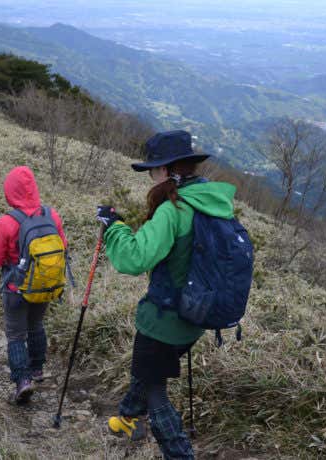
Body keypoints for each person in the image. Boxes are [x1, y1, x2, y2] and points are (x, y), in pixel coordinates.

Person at [98, 130, 236, 460]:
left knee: (155, 386)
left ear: (167, 170)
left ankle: (179, 454)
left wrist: (113, 228)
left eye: (152, 169)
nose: (150, 176)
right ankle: (128, 418)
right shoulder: (212, 202)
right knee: (147, 369)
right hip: (197, 314)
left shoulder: (172, 211)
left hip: (164, 318)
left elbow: (134, 259)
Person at [0, 166, 68, 404]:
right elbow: (63, 247)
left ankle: (23, 380)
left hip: (15, 289)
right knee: (36, 325)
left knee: (16, 335)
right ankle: (37, 369)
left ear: (10, 191)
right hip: (44, 285)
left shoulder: (7, 223)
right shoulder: (52, 216)